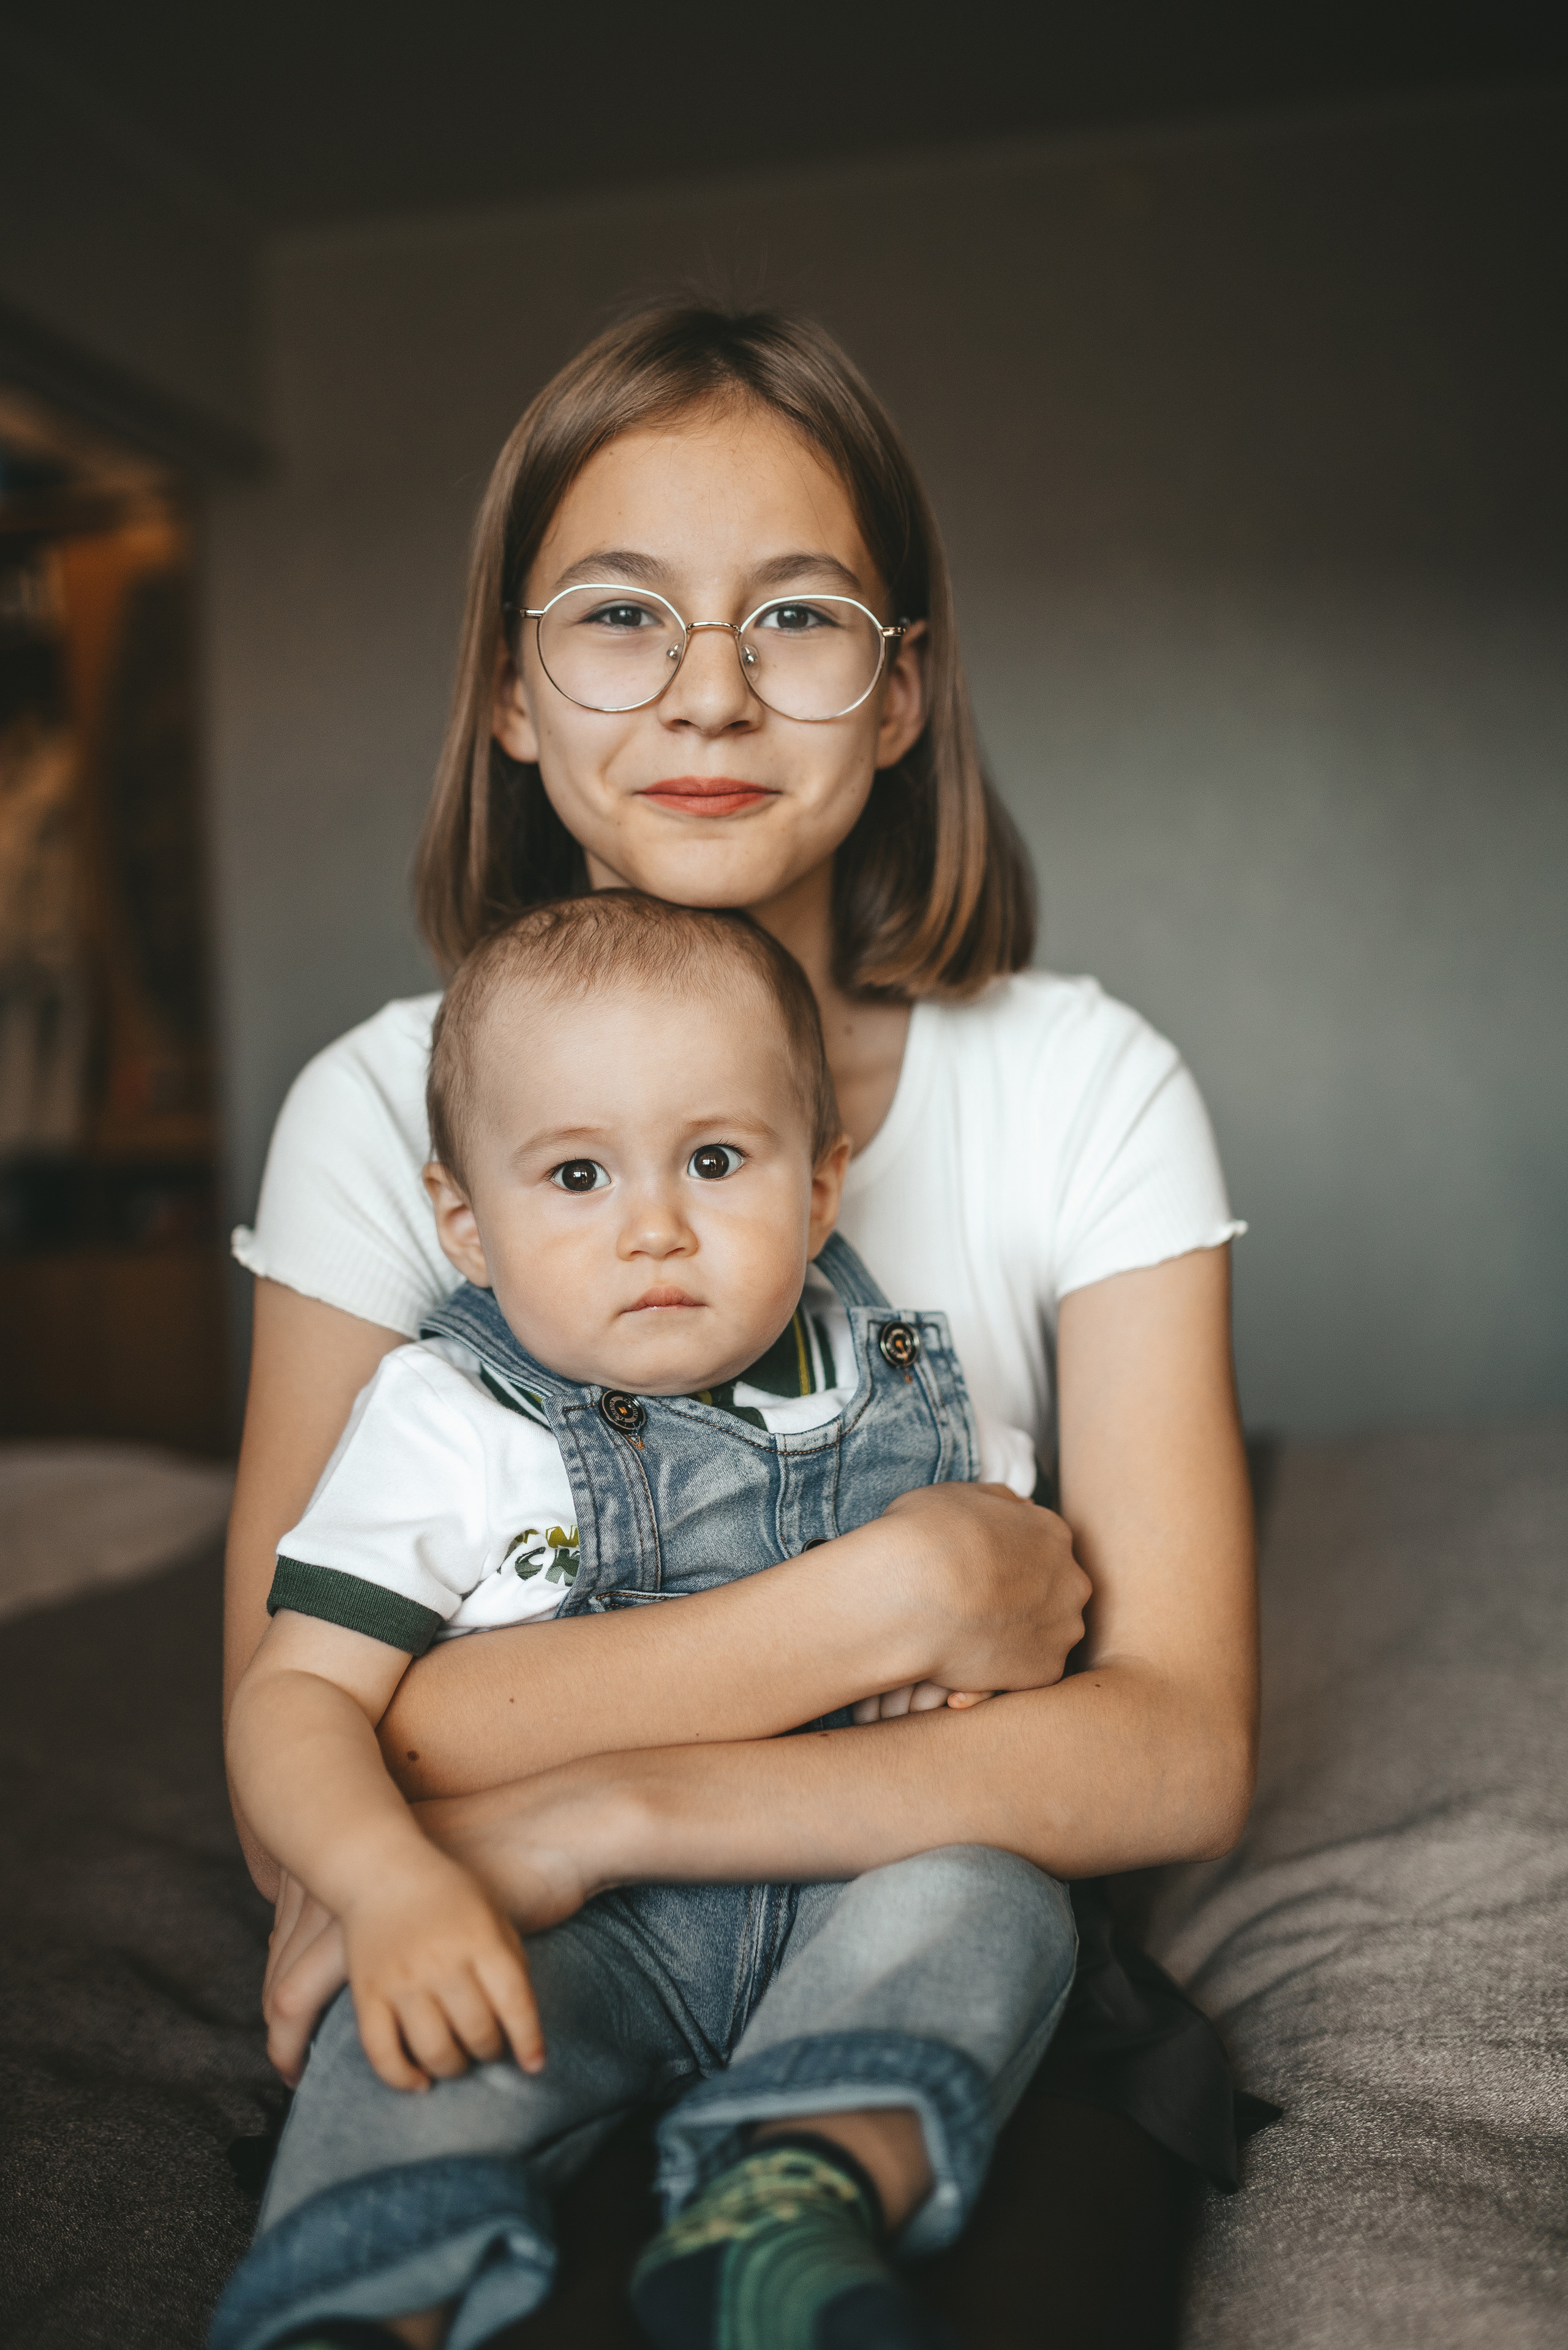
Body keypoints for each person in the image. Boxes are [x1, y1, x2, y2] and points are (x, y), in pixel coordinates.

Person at [222, 302, 1257, 2341]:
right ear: (514, 691)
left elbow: (1173, 1748)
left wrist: (600, 1799)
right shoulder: (380, 1100)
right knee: (405, 2116)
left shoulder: (1081, 1079)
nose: (709, 693)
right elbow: (350, 1716)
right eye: (620, 614)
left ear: (898, 693)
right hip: (558, 1936)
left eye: (796, 618)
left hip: (871, 1908)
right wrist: (894, 1599)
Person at [216, 891, 1072, 2350]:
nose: (655, 1227)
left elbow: (1022, 1632)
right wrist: (383, 1884)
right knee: (405, 2021)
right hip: (570, 1921)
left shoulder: (914, 1391)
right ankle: (361, 2297)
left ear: (817, 1189)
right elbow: (294, 1696)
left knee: (1002, 1906)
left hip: (841, 1873)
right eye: (573, 1175)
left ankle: (783, 2208)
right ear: (463, 1224)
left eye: (717, 1159)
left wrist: (950, 1693)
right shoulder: (448, 1419)